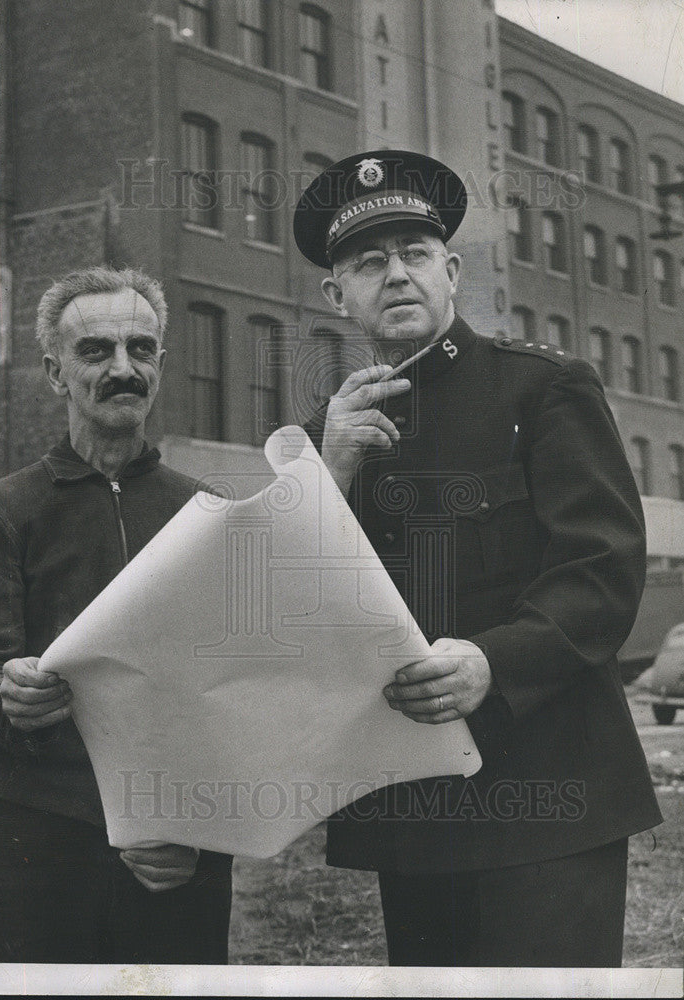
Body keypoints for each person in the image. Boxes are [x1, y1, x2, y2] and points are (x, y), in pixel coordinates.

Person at [293, 150, 662, 967]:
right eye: (368, 262)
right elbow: (292, 616)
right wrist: (330, 471)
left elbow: (602, 570)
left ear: (450, 270)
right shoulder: (330, 431)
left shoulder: (543, 389)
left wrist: (493, 661)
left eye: (414, 255)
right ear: (337, 294)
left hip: (549, 797)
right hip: (413, 808)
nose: (396, 274)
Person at [0, 267, 232, 963]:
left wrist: (194, 825)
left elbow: (237, 692)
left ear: (161, 364)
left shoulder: (210, 513)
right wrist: (6, 692)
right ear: (54, 372)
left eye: (140, 348)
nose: (121, 369)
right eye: (95, 351)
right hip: (39, 849)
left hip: (179, 852)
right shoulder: (9, 510)